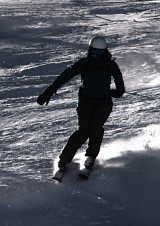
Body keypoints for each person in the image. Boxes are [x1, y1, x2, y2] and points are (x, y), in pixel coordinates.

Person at [36, 36, 125, 174]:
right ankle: (64, 159)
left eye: (100, 53)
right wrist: (47, 93)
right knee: (83, 130)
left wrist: (114, 92)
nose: (97, 56)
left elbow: (120, 85)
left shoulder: (110, 64)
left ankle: (90, 157)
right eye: (94, 52)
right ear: (90, 50)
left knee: (95, 127)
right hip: (85, 103)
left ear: (104, 52)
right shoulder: (85, 63)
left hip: (103, 104)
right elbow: (64, 77)